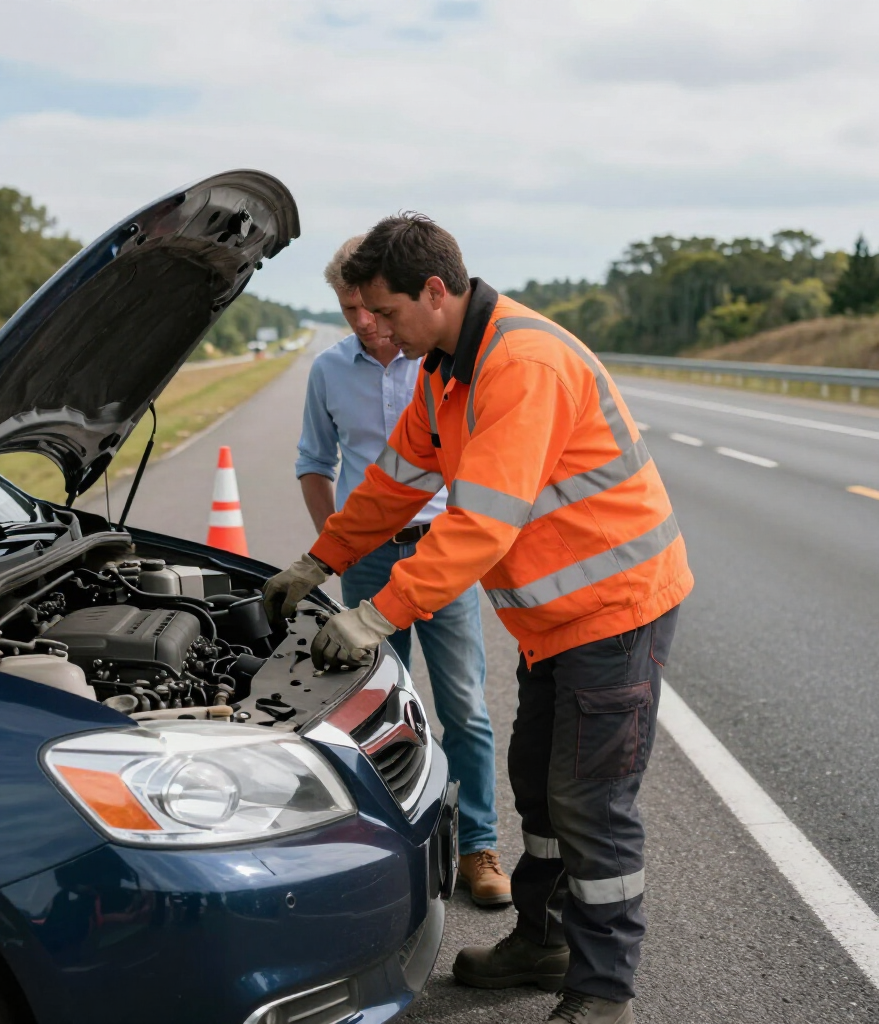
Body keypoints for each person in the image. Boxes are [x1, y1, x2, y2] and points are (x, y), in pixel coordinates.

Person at [264, 214, 693, 1024]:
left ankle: (604, 995)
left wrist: (378, 613)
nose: (375, 330)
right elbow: (393, 482)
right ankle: (545, 941)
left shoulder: (520, 365)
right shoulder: (443, 369)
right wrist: (319, 560)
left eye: (385, 313)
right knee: (539, 784)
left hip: (615, 610)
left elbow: (481, 524)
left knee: (591, 802)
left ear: (435, 290)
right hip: (557, 621)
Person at [291, 235, 510, 907]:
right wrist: (327, 553)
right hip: (369, 560)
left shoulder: (447, 364)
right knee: (371, 712)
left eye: (372, 307)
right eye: (349, 307)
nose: (365, 322)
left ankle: (478, 847)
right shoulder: (331, 370)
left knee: (464, 708)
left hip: (446, 553)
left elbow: (480, 502)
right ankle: (388, 851)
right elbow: (337, 469)